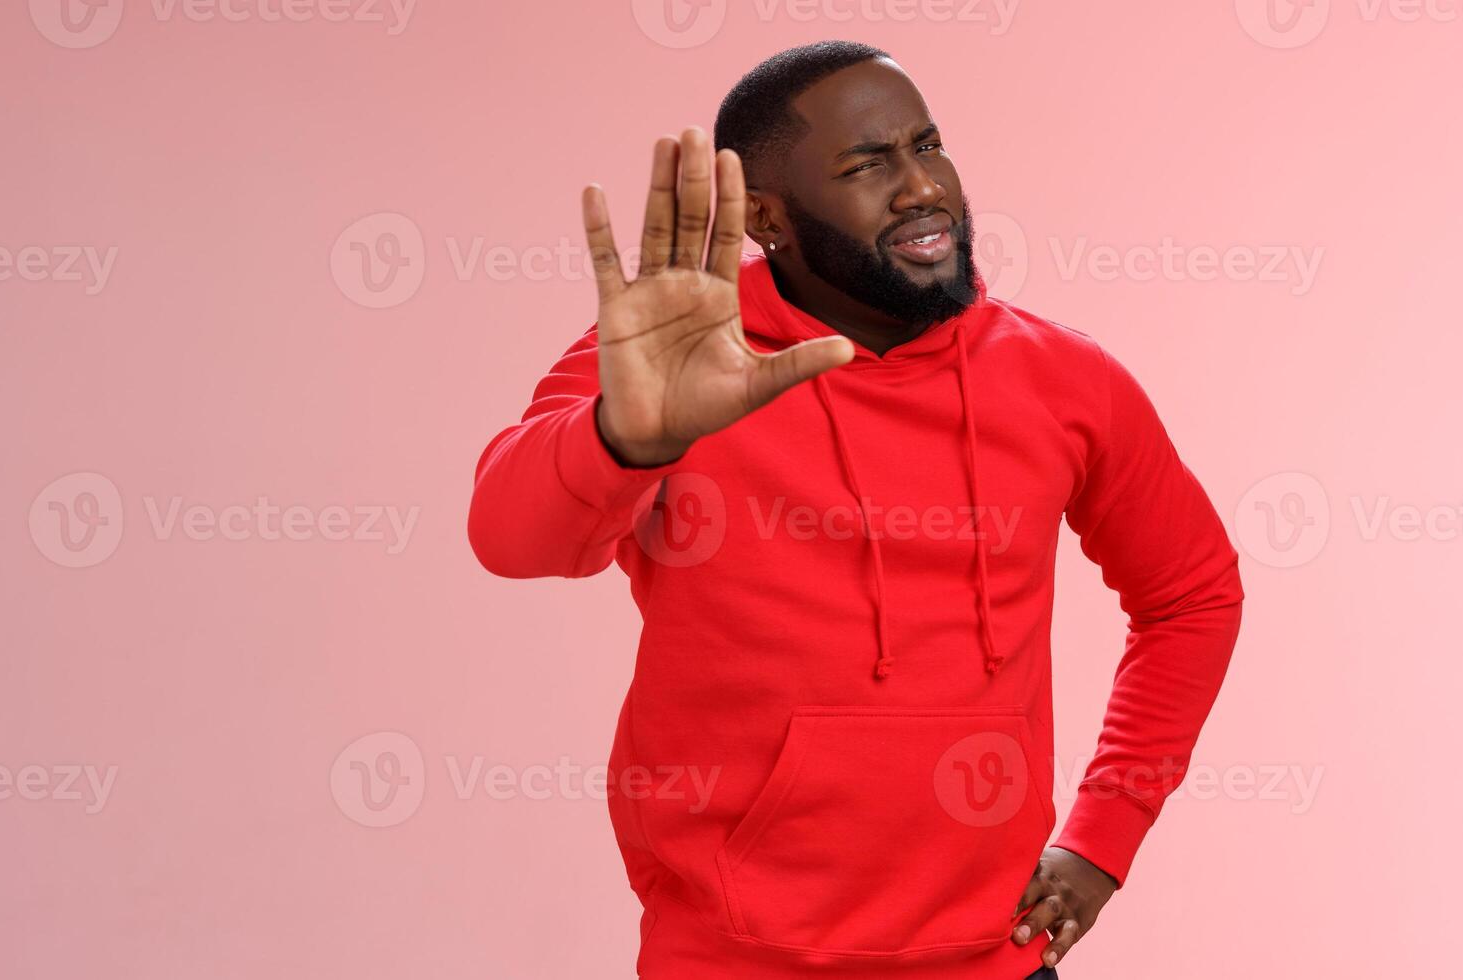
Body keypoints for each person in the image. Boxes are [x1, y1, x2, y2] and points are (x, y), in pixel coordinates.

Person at [467, 40, 1243, 979]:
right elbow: (510, 538)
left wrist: (1104, 836)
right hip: (729, 961)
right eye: (869, 164)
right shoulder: (678, 358)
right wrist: (630, 437)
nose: (922, 188)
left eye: (928, 145)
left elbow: (1192, 595)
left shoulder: (1067, 380)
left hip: (996, 958)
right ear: (767, 216)